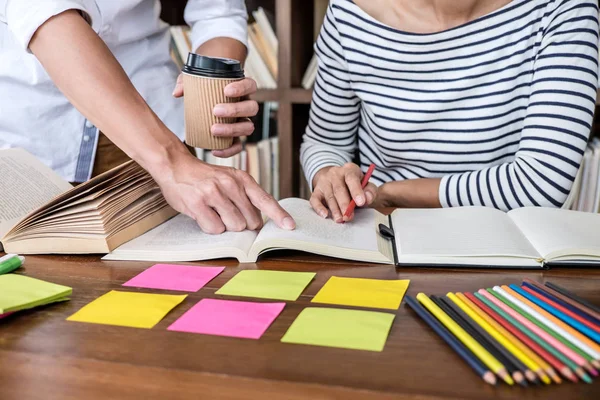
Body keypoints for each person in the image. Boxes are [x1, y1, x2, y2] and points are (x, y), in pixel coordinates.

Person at [0, 0, 295, 234]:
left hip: (154, 117)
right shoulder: (171, 159)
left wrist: (212, 93)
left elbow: (218, 13)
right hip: (35, 141)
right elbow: (47, 16)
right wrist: (173, 163)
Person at [301, 0, 599, 223]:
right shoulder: (348, 14)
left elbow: (540, 183)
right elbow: (325, 141)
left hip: (508, 245)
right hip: (382, 235)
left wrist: (389, 192)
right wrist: (331, 177)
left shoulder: (564, 8)